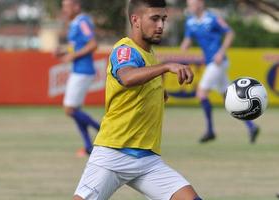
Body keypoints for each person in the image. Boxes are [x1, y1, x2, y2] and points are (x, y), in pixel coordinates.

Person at [73, 0, 203, 199]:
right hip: (114, 154)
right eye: (154, 19)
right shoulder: (125, 49)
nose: (160, 25)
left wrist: (159, 92)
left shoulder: (150, 54)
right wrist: (166, 66)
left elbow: (142, 84)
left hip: (147, 160)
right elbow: (127, 77)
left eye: (163, 19)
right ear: (135, 19)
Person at [180, 0, 259, 143]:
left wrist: (221, 52)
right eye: (188, 4)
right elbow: (188, 39)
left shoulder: (213, 18)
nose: (189, 6)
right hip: (211, 63)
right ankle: (251, 126)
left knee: (201, 93)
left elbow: (230, 33)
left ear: (200, 3)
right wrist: (183, 47)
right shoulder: (190, 22)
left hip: (218, 62)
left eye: (192, 3)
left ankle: (210, 131)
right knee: (228, 99)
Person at [56, 0, 100, 157]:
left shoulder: (82, 21)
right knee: (75, 110)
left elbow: (93, 44)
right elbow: (77, 45)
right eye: (63, 6)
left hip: (83, 71)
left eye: (67, 6)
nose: (65, 9)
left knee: (69, 109)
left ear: (76, 6)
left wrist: (72, 55)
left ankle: (101, 130)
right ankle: (88, 147)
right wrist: (64, 52)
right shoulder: (74, 22)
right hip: (77, 70)